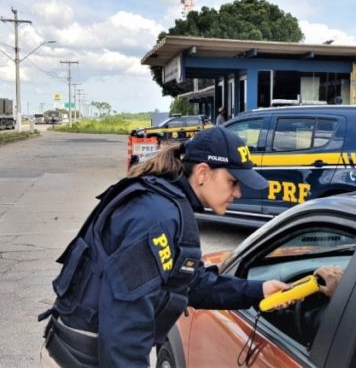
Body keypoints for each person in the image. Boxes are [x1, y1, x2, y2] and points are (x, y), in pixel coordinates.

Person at [38, 126, 290, 367]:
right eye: (233, 182)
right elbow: (126, 323)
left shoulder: (169, 205)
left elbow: (189, 282)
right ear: (203, 173)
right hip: (83, 358)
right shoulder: (156, 217)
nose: (238, 193)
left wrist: (259, 290)